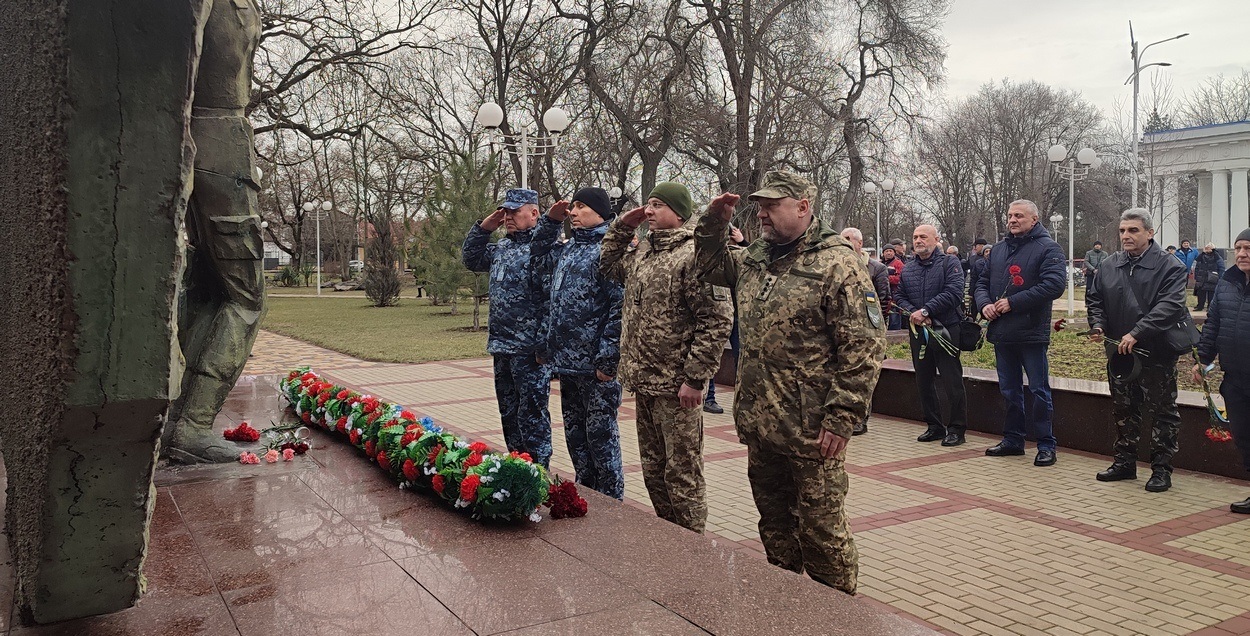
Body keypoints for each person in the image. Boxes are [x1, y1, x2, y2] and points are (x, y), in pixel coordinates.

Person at [695, 170, 885, 595]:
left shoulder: (837, 262)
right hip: (762, 423)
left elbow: (863, 347)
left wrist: (841, 417)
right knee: (775, 528)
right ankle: (787, 606)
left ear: (803, 207)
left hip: (812, 429)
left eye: (772, 205)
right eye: (759, 205)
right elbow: (708, 265)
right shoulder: (757, 257)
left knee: (823, 536)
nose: (761, 213)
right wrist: (714, 222)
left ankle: (838, 618)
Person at [599, 182, 733, 533]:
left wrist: (695, 379)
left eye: (658, 205)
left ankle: (692, 547)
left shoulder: (695, 255)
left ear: (680, 213)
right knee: (654, 470)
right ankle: (668, 539)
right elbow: (608, 265)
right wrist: (623, 226)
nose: (650, 211)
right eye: (648, 204)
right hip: (644, 382)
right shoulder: (644, 253)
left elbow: (716, 320)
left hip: (677, 388)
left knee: (683, 473)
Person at [1086, 209, 1192, 492]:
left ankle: (1161, 470)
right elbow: (1095, 299)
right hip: (1119, 355)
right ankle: (1124, 463)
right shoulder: (1110, 264)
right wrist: (1097, 325)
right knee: (1123, 408)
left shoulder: (1170, 266)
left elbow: (1170, 306)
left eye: (1133, 230)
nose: (1126, 236)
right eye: (1122, 231)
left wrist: (1137, 332)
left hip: (1156, 352)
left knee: (1162, 412)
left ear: (1150, 233)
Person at [532, 188, 626, 499]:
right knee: (576, 438)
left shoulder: (609, 250)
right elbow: (537, 254)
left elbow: (619, 307)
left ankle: (612, 505)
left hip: (596, 366)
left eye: (581, 207)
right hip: (568, 364)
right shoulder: (569, 248)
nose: (573, 212)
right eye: (572, 207)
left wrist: (608, 359)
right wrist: (549, 222)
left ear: (600, 212)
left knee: (601, 440)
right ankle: (587, 498)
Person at [461, 188, 553, 467]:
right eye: (506, 211)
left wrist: (543, 345)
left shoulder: (542, 250)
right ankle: (516, 468)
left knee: (532, 416)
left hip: (530, 351)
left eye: (515, 211)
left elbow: (551, 301)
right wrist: (485, 226)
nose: (508, 217)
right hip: (502, 346)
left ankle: (538, 474)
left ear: (534, 213)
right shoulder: (502, 247)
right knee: (509, 414)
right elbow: (471, 258)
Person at [974, 200, 1066, 466]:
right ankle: (1013, 439)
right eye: (1010, 216)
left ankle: (1046, 444)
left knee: (1038, 390)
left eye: (1019, 216)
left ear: (1034, 219)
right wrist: (984, 305)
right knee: (1009, 390)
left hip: (1031, 332)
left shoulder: (1048, 248)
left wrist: (1013, 302)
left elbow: (1054, 285)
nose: (1013, 220)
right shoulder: (999, 250)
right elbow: (981, 282)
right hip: (1002, 331)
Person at [895, 224, 969, 446]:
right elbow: (899, 296)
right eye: (915, 237)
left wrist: (926, 311)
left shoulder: (949, 262)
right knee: (923, 379)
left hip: (946, 328)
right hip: (920, 330)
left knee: (951, 379)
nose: (918, 240)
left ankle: (956, 428)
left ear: (936, 239)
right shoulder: (908, 268)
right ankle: (934, 425)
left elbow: (954, 292)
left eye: (923, 237)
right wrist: (916, 314)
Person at [1193, 229, 1250, 512]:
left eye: (1248, 248)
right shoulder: (1227, 283)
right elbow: (1213, 323)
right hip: (1236, 380)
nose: (1242, 254)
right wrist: (1203, 359)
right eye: (1239, 248)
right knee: (1243, 437)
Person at [841, 227, 890, 436]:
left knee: (864, 375)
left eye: (847, 239)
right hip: (843, 328)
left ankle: (861, 418)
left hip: (868, 329)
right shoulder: (838, 264)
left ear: (859, 243)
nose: (843, 242)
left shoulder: (876, 269)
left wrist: (877, 328)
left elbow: (884, 300)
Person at [704, 225, 752, 413]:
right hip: (716, 313)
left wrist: (742, 242)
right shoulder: (715, 256)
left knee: (742, 357)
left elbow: (758, 262)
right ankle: (709, 397)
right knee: (711, 355)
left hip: (738, 314)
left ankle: (745, 399)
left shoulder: (742, 254)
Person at [1193, 242, 1225, 311]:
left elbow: (1221, 267)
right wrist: (1196, 276)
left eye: (1209, 248)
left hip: (1212, 277)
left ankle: (1210, 307)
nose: (1207, 249)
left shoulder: (1217, 256)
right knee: (1200, 293)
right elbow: (1197, 266)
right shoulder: (1201, 256)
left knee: (1211, 293)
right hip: (1201, 277)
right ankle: (1200, 306)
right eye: (1206, 248)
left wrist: (1220, 277)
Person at [881, 246, 905, 330]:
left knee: (894, 319)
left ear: (894, 253)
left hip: (894, 297)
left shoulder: (898, 263)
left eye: (890, 251)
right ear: (883, 253)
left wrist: (886, 278)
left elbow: (901, 278)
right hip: (884, 296)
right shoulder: (881, 264)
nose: (888, 253)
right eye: (886, 251)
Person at [966, 239, 988, 311]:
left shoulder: (991, 259)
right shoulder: (972, 258)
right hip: (975, 288)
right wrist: (971, 291)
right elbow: (973, 277)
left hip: (986, 289)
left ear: (982, 246)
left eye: (976, 246)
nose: (975, 248)